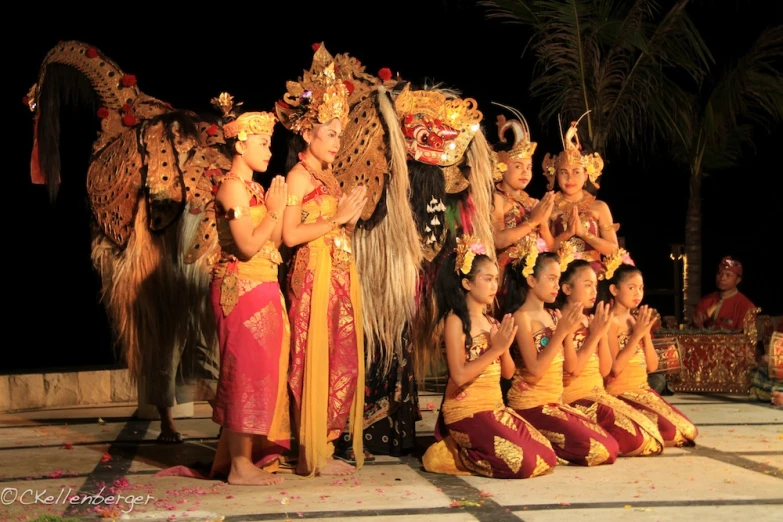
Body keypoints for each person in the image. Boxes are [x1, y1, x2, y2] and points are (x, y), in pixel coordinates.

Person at [275, 59, 369, 477]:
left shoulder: (329, 177)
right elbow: (290, 235)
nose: (336, 142)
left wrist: (349, 216)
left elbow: (330, 224)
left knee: (342, 360)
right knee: (311, 359)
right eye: (330, 134)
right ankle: (310, 450)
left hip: (338, 274)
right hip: (313, 276)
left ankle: (327, 444)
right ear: (307, 133)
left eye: (339, 135)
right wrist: (338, 219)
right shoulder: (297, 176)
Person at [422, 235, 557, 478]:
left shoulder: (492, 321)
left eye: (496, 279)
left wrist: (503, 346)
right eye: (487, 279)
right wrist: (495, 349)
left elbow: (507, 373)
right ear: (467, 284)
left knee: (546, 455)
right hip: (466, 411)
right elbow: (459, 375)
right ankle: (455, 454)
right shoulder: (455, 321)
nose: (494, 286)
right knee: (522, 464)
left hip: (494, 407)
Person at [206, 93, 290, 485]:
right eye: (263, 143)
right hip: (240, 288)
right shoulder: (232, 189)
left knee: (260, 373)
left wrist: (275, 209)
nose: (270, 151)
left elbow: (271, 242)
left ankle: (243, 456)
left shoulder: (254, 190)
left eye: (270, 144)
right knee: (244, 373)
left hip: (265, 286)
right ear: (240, 144)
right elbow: (246, 246)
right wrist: (275, 211)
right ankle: (239, 465)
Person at [503, 237, 620, 466]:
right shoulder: (521, 317)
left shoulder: (556, 316)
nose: (557, 285)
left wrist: (574, 332)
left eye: (558, 279)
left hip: (555, 402)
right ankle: (535, 434)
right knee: (597, 451)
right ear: (531, 280)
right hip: (530, 403)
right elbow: (535, 369)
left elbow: (571, 367)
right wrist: (561, 333)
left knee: (611, 446)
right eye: (552, 278)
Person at [557, 259, 664, 457]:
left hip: (598, 393)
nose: (593, 291)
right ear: (566, 288)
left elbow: (605, 370)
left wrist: (601, 332)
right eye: (587, 285)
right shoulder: (558, 320)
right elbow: (573, 370)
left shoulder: (592, 321)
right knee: (637, 441)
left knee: (652, 435)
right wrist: (597, 335)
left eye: (595, 286)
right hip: (575, 397)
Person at [601, 263, 698, 446]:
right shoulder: (609, 322)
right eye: (631, 288)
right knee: (671, 434)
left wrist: (644, 334)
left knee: (689, 430)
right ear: (614, 289)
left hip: (643, 390)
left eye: (641, 288)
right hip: (621, 392)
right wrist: (636, 335)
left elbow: (652, 367)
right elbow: (614, 368)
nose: (638, 293)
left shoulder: (636, 319)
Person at [490, 103, 555, 304]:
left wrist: (542, 223)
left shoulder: (533, 202)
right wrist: (532, 222)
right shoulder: (496, 199)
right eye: (518, 166)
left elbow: (551, 246)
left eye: (529, 167)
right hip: (510, 274)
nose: (525, 172)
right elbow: (498, 241)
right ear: (501, 167)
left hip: (538, 273)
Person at [541, 114, 620, 273]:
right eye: (564, 172)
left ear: (586, 176)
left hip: (593, 276)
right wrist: (568, 234)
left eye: (576, 172)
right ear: (555, 175)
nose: (570, 178)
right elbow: (544, 250)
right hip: (561, 275)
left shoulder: (599, 207)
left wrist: (584, 234)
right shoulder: (549, 206)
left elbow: (613, 250)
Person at [692, 256, 757, 330]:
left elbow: (743, 337)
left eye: (728, 275)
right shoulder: (705, 301)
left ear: (738, 280)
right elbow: (693, 329)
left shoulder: (746, 306)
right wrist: (698, 326)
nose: (722, 278)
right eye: (719, 273)